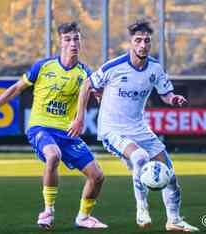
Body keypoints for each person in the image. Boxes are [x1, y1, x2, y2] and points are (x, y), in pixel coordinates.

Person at [0, 22, 108, 230]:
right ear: (59, 42)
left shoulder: (85, 74)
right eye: (68, 39)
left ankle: (83, 217)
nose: (73, 43)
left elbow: (100, 95)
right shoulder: (43, 67)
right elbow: (17, 88)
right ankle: (48, 211)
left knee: (97, 176)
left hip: (67, 131)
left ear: (81, 42)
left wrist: (103, 99)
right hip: (40, 127)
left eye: (76, 39)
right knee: (53, 156)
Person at [68, 19, 199, 232]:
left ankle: (173, 220)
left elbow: (166, 94)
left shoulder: (155, 68)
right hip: (112, 129)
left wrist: (173, 99)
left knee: (171, 176)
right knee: (139, 158)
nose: (143, 45)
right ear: (131, 43)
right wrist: (80, 118)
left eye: (147, 41)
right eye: (138, 40)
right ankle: (142, 210)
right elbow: (87, 84)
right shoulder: (114, 67)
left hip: (140, 129)